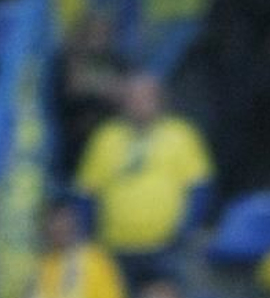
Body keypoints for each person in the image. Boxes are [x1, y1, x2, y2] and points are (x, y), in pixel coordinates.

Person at [74, 70, 214, 275]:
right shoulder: (105, 137)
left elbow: (200, 189)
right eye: (132, 98)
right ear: (123, 103)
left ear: (160, 100)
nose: (139, 104)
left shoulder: (181, 134)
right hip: (114, 247)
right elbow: (86, 193)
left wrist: (184, 231)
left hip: (166, 248)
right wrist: (90, 238)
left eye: (146, 97)